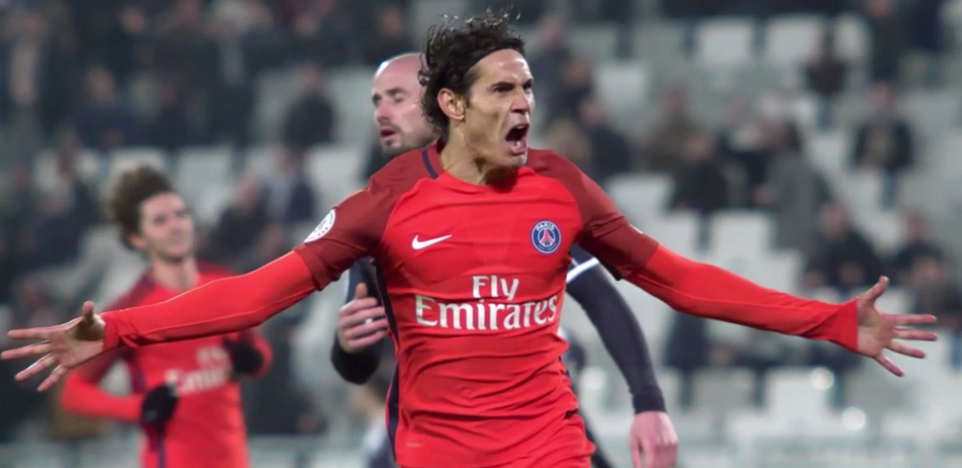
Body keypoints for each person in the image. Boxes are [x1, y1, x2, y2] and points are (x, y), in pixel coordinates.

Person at [3, 11, 938, 468]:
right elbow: (257, 291)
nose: (524, 101)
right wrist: (119, 331)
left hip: (551, 449)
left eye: (528, 85)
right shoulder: (384, 203)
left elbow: (675, 279)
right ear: (452, 105)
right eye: (503, 88)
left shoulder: (560, 185)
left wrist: (828, 321)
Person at [331, 53, 676, 468]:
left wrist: (647, 401)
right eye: (376, 101)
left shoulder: (522, 196)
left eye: (396, 98)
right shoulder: (375, 219)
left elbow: (600, 297)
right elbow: (359, 364)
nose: (381, 112)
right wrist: (348, 346)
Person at [57, 166, 272, 468]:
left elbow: (259, 354)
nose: (175, 226)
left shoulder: (223, 282)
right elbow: (73, 393)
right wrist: (139, 407)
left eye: (180, 215)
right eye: (160, 221)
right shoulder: (129, 311)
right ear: (136, 237)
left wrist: (253, 359)